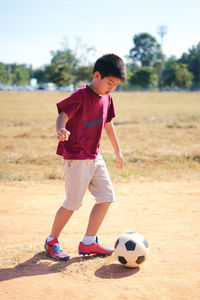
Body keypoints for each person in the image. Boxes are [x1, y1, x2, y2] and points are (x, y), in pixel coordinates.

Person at [44, 53, 126, 260]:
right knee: (73, 203)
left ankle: (88, 242)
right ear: (96, 75)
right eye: (109, 83)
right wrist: (60, 129)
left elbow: (108, 124)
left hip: (95, 156)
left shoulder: (107, 98)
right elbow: (62, 115)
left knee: (106, 197)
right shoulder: (80, 95)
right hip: (76, 157)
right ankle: (51, 240)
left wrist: (117, 150)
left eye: (115, 85)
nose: (111, 88)